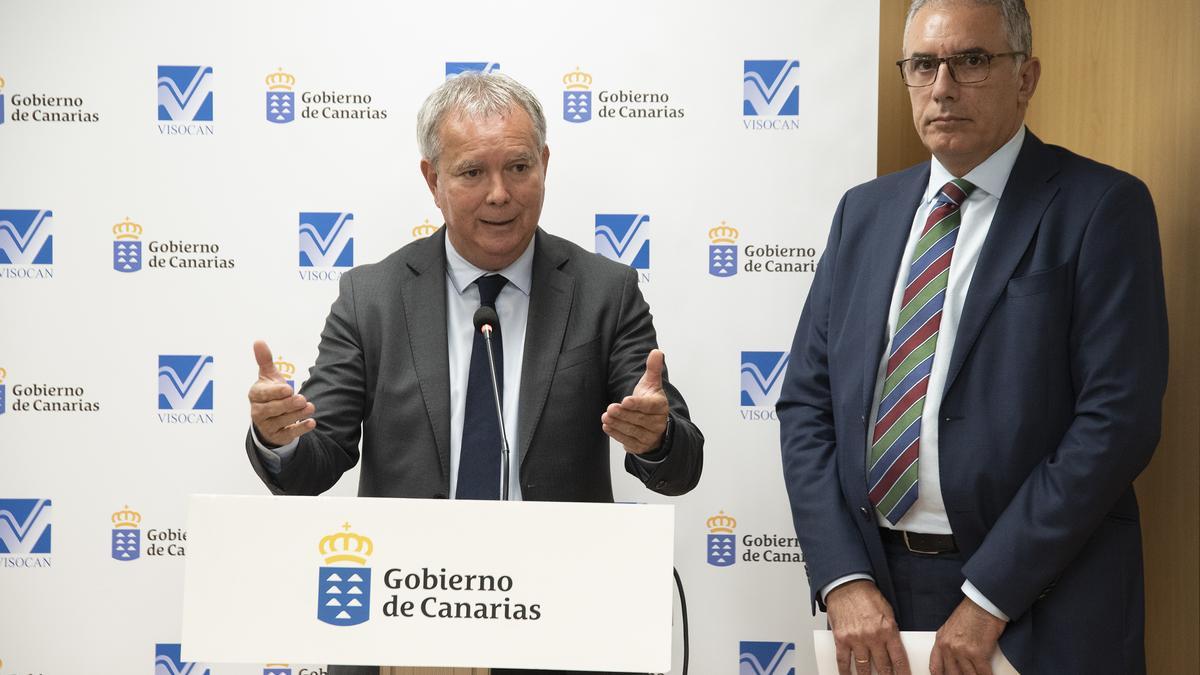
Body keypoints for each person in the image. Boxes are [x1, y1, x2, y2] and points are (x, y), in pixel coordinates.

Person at [245, 73, 703, 675]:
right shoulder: (372, 297)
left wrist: (657, 438)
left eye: (518, 167)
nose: (499, 194)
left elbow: (681, 463)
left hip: (560, 625)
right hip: (405, 613)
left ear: (544, 163)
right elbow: (315, 460)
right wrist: (279, 438)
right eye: (471, 173)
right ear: (432, 180)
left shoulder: (604, 292)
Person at [777, 1, 1167, 673]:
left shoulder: (1101, 207)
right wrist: (842, 578)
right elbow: (807, 408)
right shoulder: (862, 214)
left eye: (972, 61)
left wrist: (990, 595)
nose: (943, 86)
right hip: (878, 599)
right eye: (924, 64)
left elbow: (1117, 422)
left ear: (1026, 77)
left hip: (1042, 596)